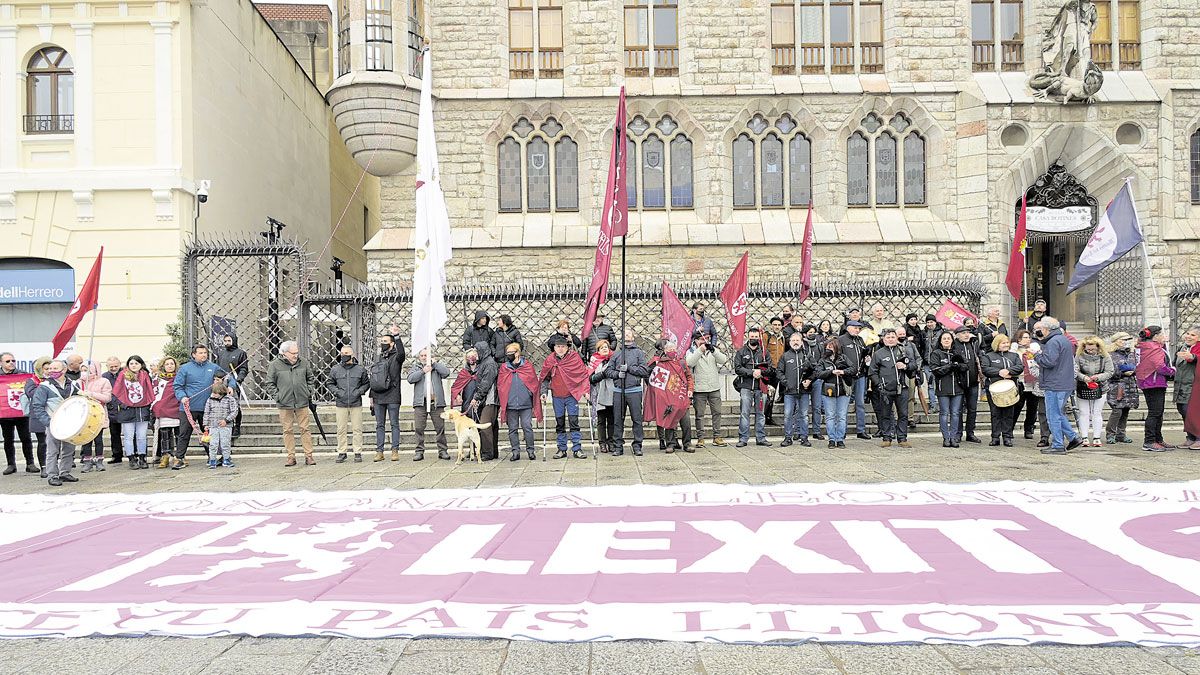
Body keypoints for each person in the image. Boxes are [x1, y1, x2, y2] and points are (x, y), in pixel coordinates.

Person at [1034, 316, 1083, 454]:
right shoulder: (1063, 339)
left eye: (1041, 329)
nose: (1039, 331)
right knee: (1058, 414)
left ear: (1046, 329)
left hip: (1055, 383)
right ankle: (1073, 437)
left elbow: (1049, 362)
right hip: (1063, 382)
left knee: (1053, 415)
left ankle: (1058, 445)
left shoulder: (1053, 342)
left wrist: (1036, 355)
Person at [173, 345, 225, 469]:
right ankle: (179, 458)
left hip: (207, 408)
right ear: (194, 355)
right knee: (184, 433)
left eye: (205, 353)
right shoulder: (185, 368)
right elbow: (177, 386)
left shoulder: (213, 367)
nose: (203, 355)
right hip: (188, 407)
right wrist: (182, 397)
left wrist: (229, 386)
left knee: (209, 433)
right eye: (201, 353)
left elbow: (226, 377)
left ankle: (213, 456)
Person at [540, 334, 590, 459]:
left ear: (567, 347)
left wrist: (585, 390)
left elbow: (583, 375)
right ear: (554, 348)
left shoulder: (574, 358)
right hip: (557, 396)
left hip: (571, 395)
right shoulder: (550, 360)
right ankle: (561, 449)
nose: (560, 349)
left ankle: (577, 448)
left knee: (574, 422)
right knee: (560, 423)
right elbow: (544, 378)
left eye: (563, 346)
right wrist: (544, 392)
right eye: (558, 346)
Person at [268, 340, 316, 466]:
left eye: (297, 352)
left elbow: (310, 378)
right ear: (284, 353)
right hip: (284, 402)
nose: (295, 355)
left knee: (305, 428)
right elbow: (269, 383)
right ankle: (291, 456)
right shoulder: (275, 365)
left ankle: (309, 455)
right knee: (287, 430)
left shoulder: (303, 363)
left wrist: (308, 392)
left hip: (302, 401)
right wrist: (278, 396)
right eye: (293, 353)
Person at [30, 360, 77, 487]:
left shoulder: (73, 385)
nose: (51, 371)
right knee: (52, 451)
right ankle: (52, 475)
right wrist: (48, 422)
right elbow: (37, 406)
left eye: (55, 368)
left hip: (70, 423)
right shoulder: (45, 386)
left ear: (64, 369)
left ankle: (65, 472)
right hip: (53, 423)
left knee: (69, 449)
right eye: (50, 368)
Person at [607, 328, 650, 457]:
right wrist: (617, 374)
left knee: (637, 419)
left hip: (634, 391)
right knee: (617, 420)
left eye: (629, 333)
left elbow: (644, 371)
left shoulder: (639, 353)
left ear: (633, 336)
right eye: (624, 334)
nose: (627, 335)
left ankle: (637, 445)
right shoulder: (616, 354)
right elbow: (608, 371)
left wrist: (629, 369)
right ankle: (618, 446)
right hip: (619, 391)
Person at [646, 338, 694, 453]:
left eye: (674, 349)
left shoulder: (682, 362)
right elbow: (656, 382)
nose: (672, 351)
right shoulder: (661, 364)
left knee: (686, 422)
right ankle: (670, 444)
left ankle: (687, 444)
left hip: (682, 397)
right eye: (670, 349)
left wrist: (690, 389)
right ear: (665, 351)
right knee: (669, 422)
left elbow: (689, 377)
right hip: (669, 398)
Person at [868, 328, 912, 448]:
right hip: (886, 389)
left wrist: (905, 366)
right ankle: (886, 437)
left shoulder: (904, 351)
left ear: (897, 338)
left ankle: (902, 438)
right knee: (885, 414)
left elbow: (913, 365)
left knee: (903, 414)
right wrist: (879, 385)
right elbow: (872, 372)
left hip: (902, 387)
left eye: (893, 337)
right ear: (883, 339)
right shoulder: (878, 354)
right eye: (888, 337)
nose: (891, 339)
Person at [1136, 325, 1176, 452]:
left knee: (1158, 412)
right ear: (1155, 336)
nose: (1164, 337)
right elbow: (1160, 367)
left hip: (1148, 382)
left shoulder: (1143, 347)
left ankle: (1158, 439)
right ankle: (1149, 441)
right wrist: (1172, 371)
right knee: (1155, 412)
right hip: (1154, 382)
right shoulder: (1154, 349)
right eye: (1162, 334)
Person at [686, 330, 728, 447]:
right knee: (699, 414)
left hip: (714, 387)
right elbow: (689, 362)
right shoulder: (691, 351)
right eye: (701, 339)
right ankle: (701, 438)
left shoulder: (713, 350)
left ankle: (717, 436)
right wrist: (700, 351)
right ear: (696, 340)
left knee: (717, 412)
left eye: (707, 339)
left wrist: (714, 351)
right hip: (699, 389)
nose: (705, 342)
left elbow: (723, 360)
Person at [498, 342, 540, 461]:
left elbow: (533, 382)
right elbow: (501, 385)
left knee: (527, 427)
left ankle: (531, 450)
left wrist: (530, 395)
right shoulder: (504, 368)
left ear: (517, 353)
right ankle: (515, 451)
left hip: (525, 403)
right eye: (508, 353)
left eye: (511, 353)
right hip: (510, 403)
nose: (509, 355)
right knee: (512, 429)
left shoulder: (527, 366)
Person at [407, 348, 451, 461]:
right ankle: (419, 451)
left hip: (436, 402)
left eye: (426, 355)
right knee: (419, 428)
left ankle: (443, 450)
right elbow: (410, 379)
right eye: (422, 355)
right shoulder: (416, 367)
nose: (424, 357)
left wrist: (434, 364)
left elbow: (446, 373)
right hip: (421, 402)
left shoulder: (436, 367)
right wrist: (423, 371)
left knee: (440, 427)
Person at [328, 345, 370, 463]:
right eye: (342, 353)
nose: (343, 355)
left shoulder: (360, 369)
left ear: (352, 354)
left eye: (346, 353)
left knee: (357, 428)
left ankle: (357, 452)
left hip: (356, 403)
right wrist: (337, 392)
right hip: (341, 403)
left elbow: (366, 383)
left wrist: (359, 392)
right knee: (341, 429)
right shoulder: (335, 369)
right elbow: (330, 383)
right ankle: (342, 451)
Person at [981, 334, 1024, 446]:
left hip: (1010, 389)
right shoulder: (988, 356)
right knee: (995, 413)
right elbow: (985, 368)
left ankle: (1007, 437)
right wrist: (999, 372)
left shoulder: (1014, 356)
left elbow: (1019, 367)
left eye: (1007, 343)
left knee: (1008, 413)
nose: (1006, 345)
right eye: (1003, 343)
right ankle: (995, 437)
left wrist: (1009, 371)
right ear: (997, 344)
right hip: (994, 389)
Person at [733, 327, 773, 448]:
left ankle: (761, 438)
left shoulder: (765, 353)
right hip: (745, 387)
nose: (754, 339)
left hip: (761, 388)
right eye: (752, 336)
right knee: (744, 413)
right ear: (748, 337)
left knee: (760, 413)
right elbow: (738, 368)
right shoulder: (741, 352)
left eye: (756, 337)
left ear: (759, 338)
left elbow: (771, 369)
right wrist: (751, 372)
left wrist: (761, 373)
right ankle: (743, 438)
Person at [113, 355, 153, 469]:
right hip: (127, 410)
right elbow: (116, 391)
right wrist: (122, 404)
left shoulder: (145, 376)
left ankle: (142, 457)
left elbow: (149, 391)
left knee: (141, 436)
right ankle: (131, 458)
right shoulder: (122, 375)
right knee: (128, 436)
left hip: (142, 409)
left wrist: (148, 405)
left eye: (136, 363)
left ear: (141, 365)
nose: (134, 366)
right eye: (131, 363)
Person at [370, 332, 405, 462]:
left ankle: (394, 450)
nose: (382, 343)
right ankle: (379, 451)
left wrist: (397, 336)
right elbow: (374, 378)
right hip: (378, 396)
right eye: (381, 341)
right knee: (380, 425)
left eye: (385, 341)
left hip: (393, 395)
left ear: (391, 343)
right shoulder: (379, 358)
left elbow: (402, 353)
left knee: (394, 424)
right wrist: (371, 397)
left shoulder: (396, 357)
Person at [1073, 336, 1114, 447]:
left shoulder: (1105, 357)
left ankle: (1097, 437)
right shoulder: (1079, 356)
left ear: (1098, 347)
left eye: (1093, 349)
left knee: (1097, 412)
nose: (1090, 351)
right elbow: (1075, 370)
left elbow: (1110, 371)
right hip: (1083, 386)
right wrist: (1084, 378)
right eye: (1088, 349)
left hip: (1101, 387)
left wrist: (1098, 377)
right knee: (1084, 412)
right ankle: (1084, 437)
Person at [0, 352, 36, 475]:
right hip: (4, 414)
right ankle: (11, 464)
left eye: (13, 361)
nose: (11, 363)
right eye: (8, 361)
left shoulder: (22, 374)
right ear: (1, 363)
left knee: (26, 438)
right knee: (8, 439)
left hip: (21, 412)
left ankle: (30, 463)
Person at [1012, 330, 1048, 447]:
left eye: (1028, 337)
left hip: (1034, 382)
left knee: (1032, 407)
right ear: (1019, 339)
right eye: (1025, 337)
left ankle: (1029, 429)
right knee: (1018, 406)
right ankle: (1010, 428)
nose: (1028, 339)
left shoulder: (1034, 349)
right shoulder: (1016, 350)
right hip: (1021, 380)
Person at [776, 331, 813, 447]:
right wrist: (785, 382)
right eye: (793, 340)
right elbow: (779, 371)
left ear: (802, 342)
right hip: (789, 392)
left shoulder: (807, 356)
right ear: (789, 342)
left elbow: (816, 370)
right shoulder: (785, 356)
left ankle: (804, 438)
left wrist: (809, 380)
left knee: (804, 415)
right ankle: (788, 438)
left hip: (804, 391)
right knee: (788, 415)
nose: (795, 342)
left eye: (798, 340)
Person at [814, 338, 852, 448]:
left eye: (831, 346)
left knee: (841, 416)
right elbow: (819, 373)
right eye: (827, 346)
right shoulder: (823, 360)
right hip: (828, 390)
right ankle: (831, 438)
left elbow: (853, 368)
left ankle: (840, 439)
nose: (828, 348)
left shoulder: (843, 358)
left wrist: (843, 372)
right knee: (830, 416)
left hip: (843, 391)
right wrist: (831, 372)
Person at [836, 319, 871, 440]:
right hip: (847, 376)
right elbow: (838, 357)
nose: (857, 330)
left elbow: (862, 355)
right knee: (844, 404)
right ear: (848, 328)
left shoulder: (860, 340)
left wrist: (866, 358)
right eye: (855, 328)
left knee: (860, 403)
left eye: (858, 328)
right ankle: (842, 430)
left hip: (860, 375)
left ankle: (861, 430)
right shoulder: (841, 340)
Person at [929, 331, 965, 447]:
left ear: (952, 340)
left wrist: (958, 366)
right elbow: (936, 370)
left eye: (948, 338)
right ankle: (946, 437)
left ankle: (953, 437)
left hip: (957, 388)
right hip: (943, 387)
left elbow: (965, 366)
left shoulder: (957, 352)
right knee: (944, 413)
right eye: (944, 338)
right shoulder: (936, 353)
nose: (946, 340)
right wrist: (949, 366)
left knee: (955, 413)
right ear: (940, 341)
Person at [1104, 332, 1139, 445]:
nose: (1125, 342)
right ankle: (1110, 434)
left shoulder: (1131, 354)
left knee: (1125, 410)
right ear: (1116, 341)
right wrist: (1122, 372)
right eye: (1123, 340)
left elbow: (1137, 365)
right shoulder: (1110, 354)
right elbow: (1109, 371)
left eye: (1127, 340)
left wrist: (1134, 371)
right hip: (1116, 385)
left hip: (1130, 385)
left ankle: (1121, 434)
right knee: (1117, 410)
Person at [77, 363, 113, 473]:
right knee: (86, 439)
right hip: (83, 415)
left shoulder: (104, 381)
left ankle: (99, 461)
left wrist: (92, 394)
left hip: (98, 414)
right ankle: (87, 461)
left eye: (86, 370)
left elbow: (107, 398)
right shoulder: (78, 383)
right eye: (82, 370)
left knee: (98, 439)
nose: (84, 373)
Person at [468, 340, 501, 460]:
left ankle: (487, 453)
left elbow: (486, 383)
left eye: (476, 351)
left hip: (490, 400)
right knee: (492, 426)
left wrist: (477, 397)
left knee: (485, 425)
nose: (475, 354)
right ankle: (492, 451)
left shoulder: (489, 364)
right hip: (487, 399)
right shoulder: (485, 363)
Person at [952, 325, 983, 444]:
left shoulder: (973, 344)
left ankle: (970, 432)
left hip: (973, 382)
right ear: (957, 334)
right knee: (958, 409)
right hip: (959, 382)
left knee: (972, 409)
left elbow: (978, 358)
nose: (966, 335)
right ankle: (958, 433)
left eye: (967, 333)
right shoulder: (954, 345)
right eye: (963, 333)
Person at [216, 334, 249, 438]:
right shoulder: (221, 353)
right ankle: (224, 425)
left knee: (235, 406)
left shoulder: (241, 353)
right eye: (225, 340)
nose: (226, 343)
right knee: (221, 405)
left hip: (234, 382)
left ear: (233, 340)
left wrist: (239, 378)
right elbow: (217, 367)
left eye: (229, 340)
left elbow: (244, 368)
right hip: (221, 383)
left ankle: (237, 426)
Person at [22, 357, 51, 476]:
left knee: (54, 442)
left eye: (50, 368)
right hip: (38, 415)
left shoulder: (55, 380)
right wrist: (45, 387)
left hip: (53, 413)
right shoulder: (32, 381)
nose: (49, 371)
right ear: (40, 369)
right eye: (46, 368)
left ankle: (53, 466)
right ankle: (43, 467)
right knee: (43, 442)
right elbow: (31, 394)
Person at [1173, 326, 1200, 449]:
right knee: (1182, 410)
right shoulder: (1182, 347)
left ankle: (1198, 438)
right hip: (1181, 385)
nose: (1188, 336)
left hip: (1194, 386)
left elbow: (1196, 358)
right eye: (1188, 333)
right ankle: (1190, 437)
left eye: (1193, 335)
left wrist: (1193, 357)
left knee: (1192, 411)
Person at [588, 340, 616, 454]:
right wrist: (602, 374)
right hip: (599, 394)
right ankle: (602, 443)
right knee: (601, 420)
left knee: (611, 420)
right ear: (598, 350)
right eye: (602, 348)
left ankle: (611, 442)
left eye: (606, 347)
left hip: (612, 393)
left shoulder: (614, 360)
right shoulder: (594, 361)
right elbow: (591, 378)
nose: (604, 349)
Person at [203, 379, 239, 468]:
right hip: (213, 425)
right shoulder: (210, 400)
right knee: (213, 444)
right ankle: (212, 460)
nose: (214, 394)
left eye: (216, 393)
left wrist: (226, 420)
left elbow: (234, 411)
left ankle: (226, 459)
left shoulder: (230, 399)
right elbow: (207, 412)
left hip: (226, 426)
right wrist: (206, 424)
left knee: (225, 443)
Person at [153, 357, 181, 468]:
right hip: (163, 409)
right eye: (167, 364)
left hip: (177, 408)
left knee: (179, 434)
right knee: (165, 435)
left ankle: (179, 456)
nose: (170, 366)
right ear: (163, 366)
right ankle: (165, 455)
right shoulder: (158, 379)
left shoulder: (180, 377)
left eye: (172, 364)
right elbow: (154, 393)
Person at [763, 317, 786, 426]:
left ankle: (769, 416)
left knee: (772, 394)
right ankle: (763, 416)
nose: (777, 327)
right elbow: (762, 351)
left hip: (778, 370)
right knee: (766, 394)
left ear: (782, 327)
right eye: (775, 324)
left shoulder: (782, 338)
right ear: (771, 325)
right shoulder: (767, 336)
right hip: (768, 369)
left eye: (779, 325)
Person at [921, 314, 942, 413]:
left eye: (931, 322)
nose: (929, 324)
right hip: (926, 363)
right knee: (930, 384)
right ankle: (933, 405)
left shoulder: (941, 332)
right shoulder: (923, 333)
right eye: (928, 322)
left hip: (938, 363)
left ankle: (941, 405)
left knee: (939, 384)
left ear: (935, 322)